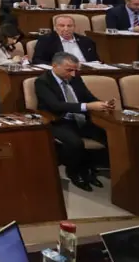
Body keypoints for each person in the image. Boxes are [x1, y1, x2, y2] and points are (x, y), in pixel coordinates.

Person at [35, 52, 115, 191]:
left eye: (75, 70)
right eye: (69, 70)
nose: (73, 74)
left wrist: (102, 104)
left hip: (81, 118)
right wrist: (87, 106)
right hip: (58, 120)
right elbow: (56, 106)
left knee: (107, 134)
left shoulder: (75, 79)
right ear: (55, 66)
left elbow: (88, 97)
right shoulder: (42, 81)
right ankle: (74, 172)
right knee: (75, 142)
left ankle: (90, 169)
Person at [33, 15, 100, 65]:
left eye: (69, 26)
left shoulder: (86, 41)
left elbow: (95, 61)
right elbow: (37, 60)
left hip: (86, 71)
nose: (66, 29)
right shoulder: (46, 40)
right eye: (62, 26)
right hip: (61, 73)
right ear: (55, 28)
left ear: (74, 27)